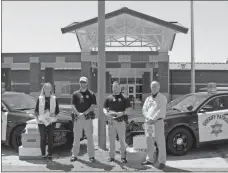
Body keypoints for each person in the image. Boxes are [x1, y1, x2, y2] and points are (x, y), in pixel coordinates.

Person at [103, 81, 131, 163]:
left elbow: (129, 110)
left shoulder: (125, 98)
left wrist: (122, 113)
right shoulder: (109, 97)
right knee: (111, 140)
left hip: (120, 122)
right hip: (111, 121)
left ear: (119, 87)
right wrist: (106, 113)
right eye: (113, 87)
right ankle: (111, 157)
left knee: (122, 140)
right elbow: (104, 108)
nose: (114, 88)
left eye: (116, 87)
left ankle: (123, 157)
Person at [141, 81, 167, 169]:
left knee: (160, 142)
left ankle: (162, 162)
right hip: (149, 123)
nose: (153, 88)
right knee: (149, 142)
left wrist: (153, 119)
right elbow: (144, 109)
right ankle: (150, 159)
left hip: (158, 122)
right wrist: (148, 118)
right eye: (152, 87)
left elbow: (161, 110)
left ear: (159, 88)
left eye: (155, 87)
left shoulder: (162, 98)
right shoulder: (148, 99)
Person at [70, 77, 97, 162]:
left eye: (84, 82)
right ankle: (74, 155)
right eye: (81, 82)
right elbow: (72, 106)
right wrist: (78, 114)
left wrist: (84, 113)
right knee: (76, 138)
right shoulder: (75, 94)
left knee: (89, 138)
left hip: (87, 119)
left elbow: (93, 106)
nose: (83, 84)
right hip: (78, 119)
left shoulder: (92, 94)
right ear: (79, 83)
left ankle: (91, 156)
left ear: (87, 83)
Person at [34, 83, 60, 160]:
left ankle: (50, 155)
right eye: (46, 88)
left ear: (51, 89)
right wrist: (38, 117)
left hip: (51, 121)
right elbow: (35, 111)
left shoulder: (54, 98)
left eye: (49, 88)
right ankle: (43, 154)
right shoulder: (40, 98)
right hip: (42, 122)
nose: (47, 89)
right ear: (43, 89)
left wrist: (54, 114)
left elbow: (57, 110)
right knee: (42, 138)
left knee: (50, 138)